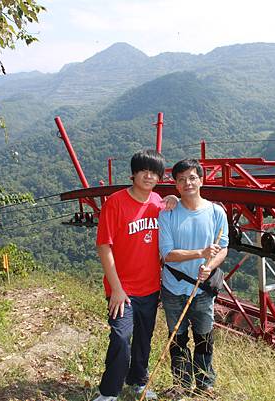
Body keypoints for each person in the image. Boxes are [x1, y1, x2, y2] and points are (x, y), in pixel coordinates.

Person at [94, 149, 176, 401]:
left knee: (144, 337)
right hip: (122, 289)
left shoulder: (159, 204)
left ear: (160, 177)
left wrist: (174, 198)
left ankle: (137, 380)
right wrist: (116, 289)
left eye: (155, 172)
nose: (149, 176)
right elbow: (103, 246)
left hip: (150, 287)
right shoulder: (116, 202)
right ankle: (109, 391)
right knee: (120, 336)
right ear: (133, 173)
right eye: (144, 170)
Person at [159, 158, 229, 397]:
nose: (187, 183)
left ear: (201, 179)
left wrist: (210, 266)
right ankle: (180, 385)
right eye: (181, 179)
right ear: (175, 185)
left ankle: (204, 383)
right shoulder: (168, 213)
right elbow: (166, 254)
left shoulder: (217, 212)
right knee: (177, 339)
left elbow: (224, 248)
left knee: (204, 338)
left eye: (192, 177)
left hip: (201, 289)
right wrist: (200, 253)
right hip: (173, 288)